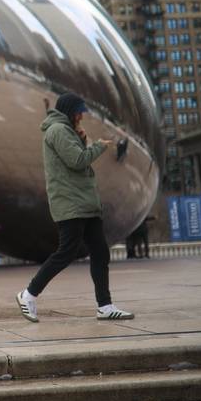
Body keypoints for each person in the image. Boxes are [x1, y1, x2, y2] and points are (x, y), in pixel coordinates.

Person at [16, 93, 134, 323]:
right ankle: (28, 294)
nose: (82, 116)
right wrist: (98, 147)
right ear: (70, 111)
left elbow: (74, 160)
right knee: (66, 252)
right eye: (79, 111)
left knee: (100, 251)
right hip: (70, 202)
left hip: (84, 202)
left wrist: (82, 140)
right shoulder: (58, 131)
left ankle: (105, 306)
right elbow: (78, 161)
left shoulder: (67, 130)